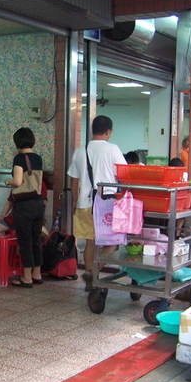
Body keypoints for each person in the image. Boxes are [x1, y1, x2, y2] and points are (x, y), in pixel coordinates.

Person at [68, 115, 126, 290]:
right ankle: (94, 273)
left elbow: (73, 180)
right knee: (113, 243)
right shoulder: (113, 149)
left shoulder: (81, 150)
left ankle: (90, 275)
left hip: (84, 203)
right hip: (106, 204)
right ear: (108, 131)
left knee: (90, 242)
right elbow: (124, 175)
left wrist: (74, 201)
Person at [3, 127, 45, 288]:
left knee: (25, 241)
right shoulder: (38, 158)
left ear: (17, 142)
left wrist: (7, 181)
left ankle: (27, 277)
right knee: (36, 239)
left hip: (24, 205)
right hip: (38, 203)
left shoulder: (19, 158)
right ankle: (37, 274)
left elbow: (18, 181)